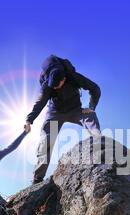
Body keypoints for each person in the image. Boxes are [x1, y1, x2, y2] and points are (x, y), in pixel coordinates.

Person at [24, 55, 102, 184]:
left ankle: (99, 142)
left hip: (75, 110)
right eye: (52, 86)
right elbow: (40, 102)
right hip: (55, 113)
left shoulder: (74, 77)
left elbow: (95, 89)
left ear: (64, 79)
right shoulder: (47, 85)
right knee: (46, 141)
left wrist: (91, 107)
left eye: (58, 85)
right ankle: (37, 178)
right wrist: (29, 120)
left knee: (90, 116)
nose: (55, 88)